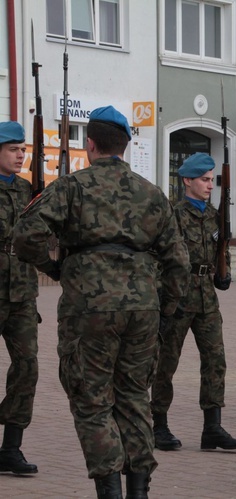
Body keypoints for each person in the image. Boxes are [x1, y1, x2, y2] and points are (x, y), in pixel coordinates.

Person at [13, 106, 190, 498]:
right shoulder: (152, 193)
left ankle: (109, 490)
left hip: (89, 307)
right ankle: (139, 491)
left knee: (93, 400)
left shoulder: (72, 187)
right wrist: (166, 309)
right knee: (132, 397)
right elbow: (179, 262)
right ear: (125, 146)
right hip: (142, 310)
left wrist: (55, 267)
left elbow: (25, 235)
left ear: (90, 144)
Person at [150, 152, 236, 452]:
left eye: (211, 180)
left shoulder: (213, 215)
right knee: (166, 363)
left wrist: (224, 270)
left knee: (215, 361)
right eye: (203, 180)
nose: (209, 185)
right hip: (177, 297)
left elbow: (222, 247)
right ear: (187, 180)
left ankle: (212, 427)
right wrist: (166, 297)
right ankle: (159, 424)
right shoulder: (174, 215)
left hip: (206, 297)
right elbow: (160, 259)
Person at [0, 121, 39, 475]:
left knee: (27, 368)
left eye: (22, 149)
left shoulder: (30, 191)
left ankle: (10, 448)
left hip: (22, 293)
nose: (20, 155)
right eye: (13, 149)